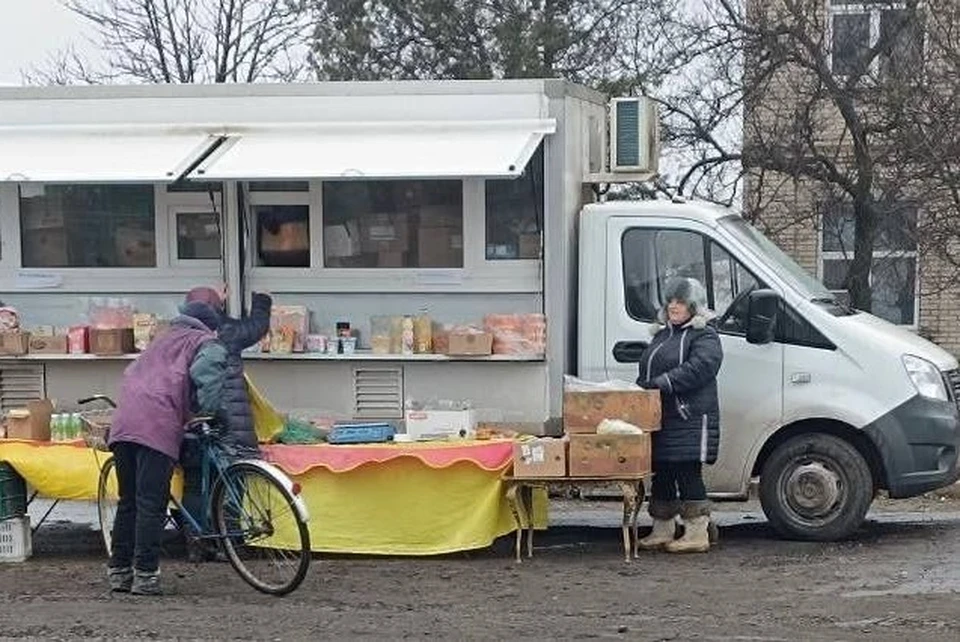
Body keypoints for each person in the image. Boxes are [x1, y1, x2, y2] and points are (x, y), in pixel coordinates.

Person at [106, 299, 227, 595]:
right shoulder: (205, 342)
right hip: (156, 426)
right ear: (211, 326)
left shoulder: (160, 339)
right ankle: (146, 575)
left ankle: (119, 573)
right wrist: (209, 413)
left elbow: (133, 374)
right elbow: (208, 380)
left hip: (123, 424)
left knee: (129, 500)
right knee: (151, 503)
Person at [636, 277, 723, 554]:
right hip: (663, 418)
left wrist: (663, 382)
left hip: (689, 418)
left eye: (681, 301)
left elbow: (701, 368)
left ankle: (697, 531)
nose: (674, 306)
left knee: (687, 472)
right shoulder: (663, 334)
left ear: (693, 306)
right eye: (671, 301)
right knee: (662, 472)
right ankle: (663, 529)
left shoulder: (705, 335)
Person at [182, 285, 272, 458]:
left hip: (201, 418)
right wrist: (262, 300)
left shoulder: (183, 336)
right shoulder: (227, 329)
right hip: (235, 420)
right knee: (236, 468)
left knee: (198, 471)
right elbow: (256, 326)